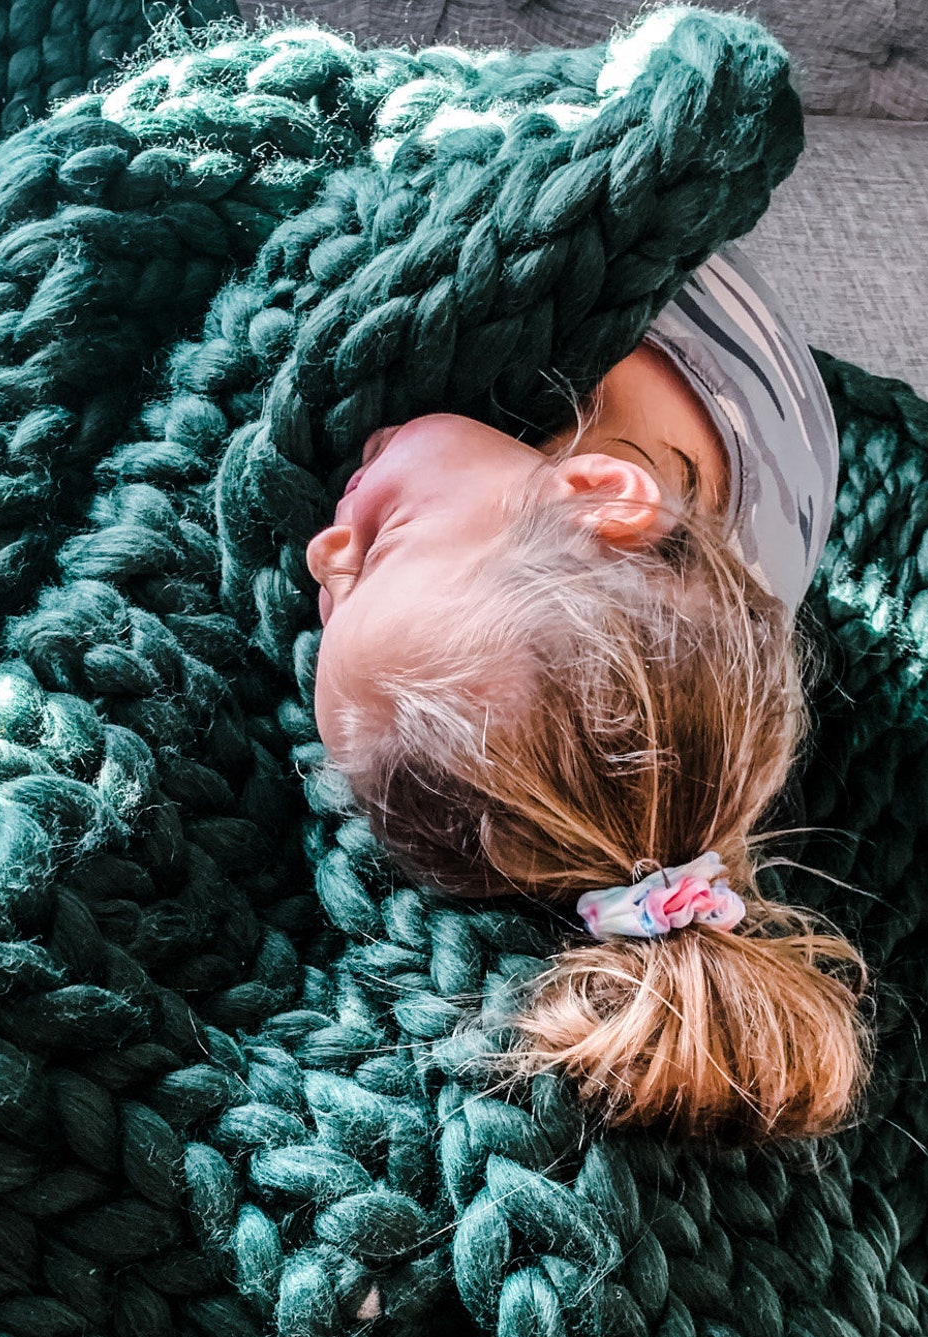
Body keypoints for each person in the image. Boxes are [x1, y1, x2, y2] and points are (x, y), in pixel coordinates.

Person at [305, 245, 871, 1143]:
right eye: (385, 543)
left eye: (347, 585)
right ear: (594, 492)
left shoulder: (671, 642)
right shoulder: (580, 301)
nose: (323, 553)